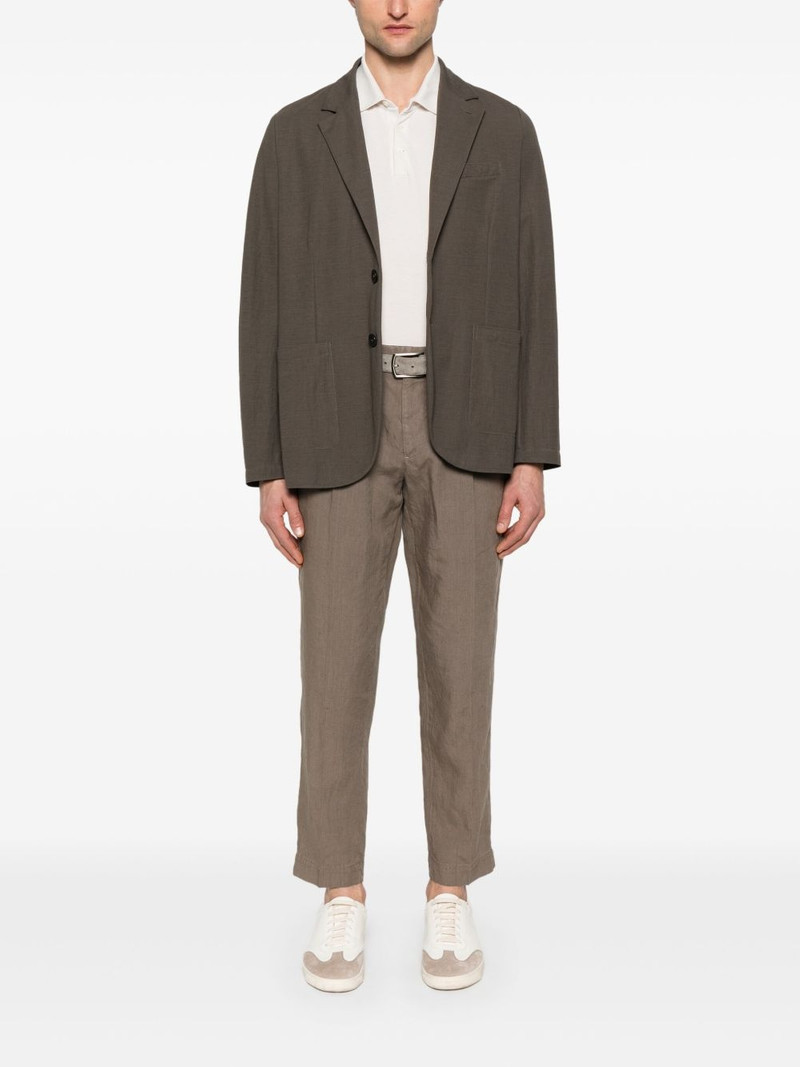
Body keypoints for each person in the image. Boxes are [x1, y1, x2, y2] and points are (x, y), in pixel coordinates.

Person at [238, 0, 559, 993]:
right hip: (334, 417)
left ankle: (449, 885)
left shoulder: (504, 131)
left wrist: (532, 452)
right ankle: (339, 887)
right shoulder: (295, 135)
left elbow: (535, 290)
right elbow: (260, 298)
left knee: (460, 663)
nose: (395, 5)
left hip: (470, 420)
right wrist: (267, 461)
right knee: (333, 666)